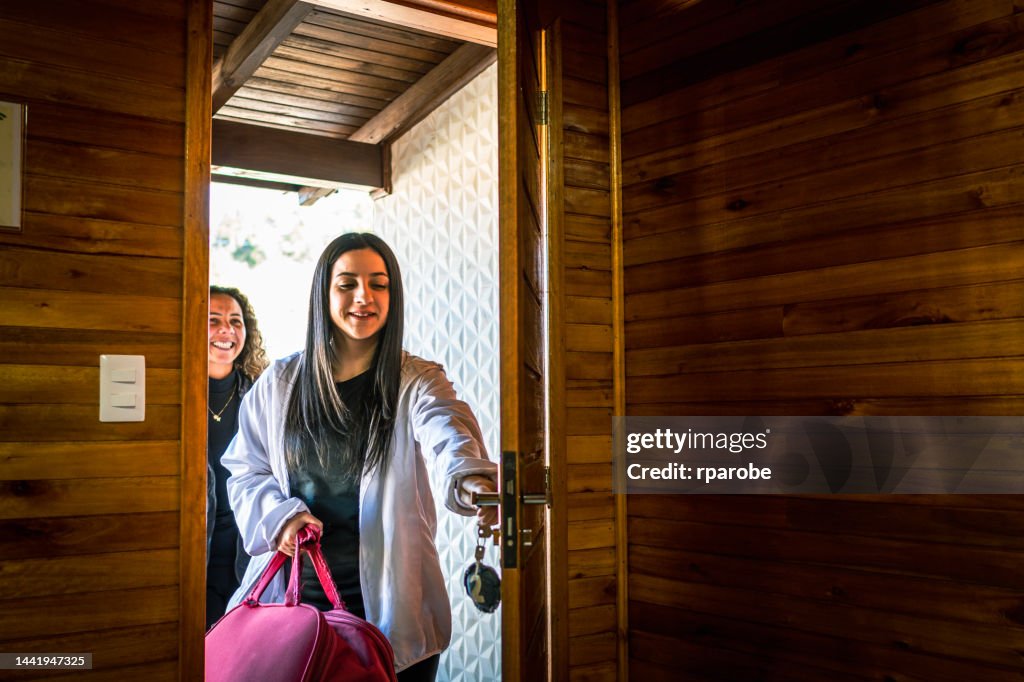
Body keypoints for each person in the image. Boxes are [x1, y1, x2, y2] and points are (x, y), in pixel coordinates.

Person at [222, 233, 498, 681]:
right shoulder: (280, 382)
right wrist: (279, 518)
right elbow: (245, 470)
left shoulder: (416, 381)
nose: (364, 297)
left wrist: (468, 475)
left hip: (390, 614)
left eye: (379, 284)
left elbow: (446, 428)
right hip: (295, 611)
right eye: (347, 283)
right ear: (324, 294)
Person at [206, 285, 269, 629]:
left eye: (235, 321)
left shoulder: (262, 392)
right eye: (213, 320)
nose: (226, 330)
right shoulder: (174, 391)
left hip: (247, 550)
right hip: (194, 548)